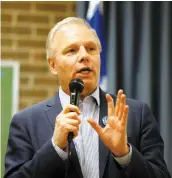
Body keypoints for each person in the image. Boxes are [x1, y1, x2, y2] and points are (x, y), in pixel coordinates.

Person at [4, 17, 171, 178]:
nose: (84, 56)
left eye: (91, 49)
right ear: (53, 64)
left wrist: (125, 154)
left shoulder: (136, 114)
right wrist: (55, 147)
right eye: (72, 50)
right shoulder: (26, 122)